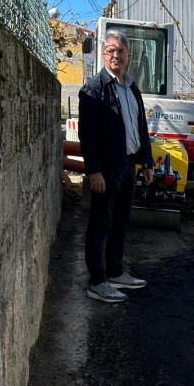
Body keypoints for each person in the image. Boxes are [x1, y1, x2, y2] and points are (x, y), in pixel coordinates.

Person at [78, 30, 155, 303]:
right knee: (101, 223)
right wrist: (94, 170)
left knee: (121, 222)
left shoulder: (131, 87)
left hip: (128, 164)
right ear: (102, 53)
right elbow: (87, 136)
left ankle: (115, 271)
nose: (116, 55)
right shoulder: (93, 90)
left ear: (128, 56)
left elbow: (140, 127)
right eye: (110, 50)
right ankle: (97, 281)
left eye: (121, 51)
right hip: (106, 167)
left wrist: (146, 161)